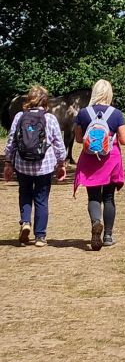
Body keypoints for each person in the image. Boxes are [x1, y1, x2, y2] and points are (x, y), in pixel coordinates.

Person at [3, 85, 68, 247]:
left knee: (25, 194)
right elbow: (59, 144)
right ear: (45, 101)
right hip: (44, 167)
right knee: (41, 199)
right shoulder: (50, 119)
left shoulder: (19, 117)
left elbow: (11, 141)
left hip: (22, 165)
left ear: (28, 100)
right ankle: (40, 237)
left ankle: (25, 222)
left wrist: (8, 163)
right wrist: (61, 163)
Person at [73, 79, 125, 250]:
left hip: (90, 159)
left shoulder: (83, 113)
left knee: (93, 196)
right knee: (109, 197)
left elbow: (77, 139)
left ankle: (96, 222)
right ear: (109, 94)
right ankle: (108, 236)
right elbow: (124, 140)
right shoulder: (116, 113)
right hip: (110, 159)